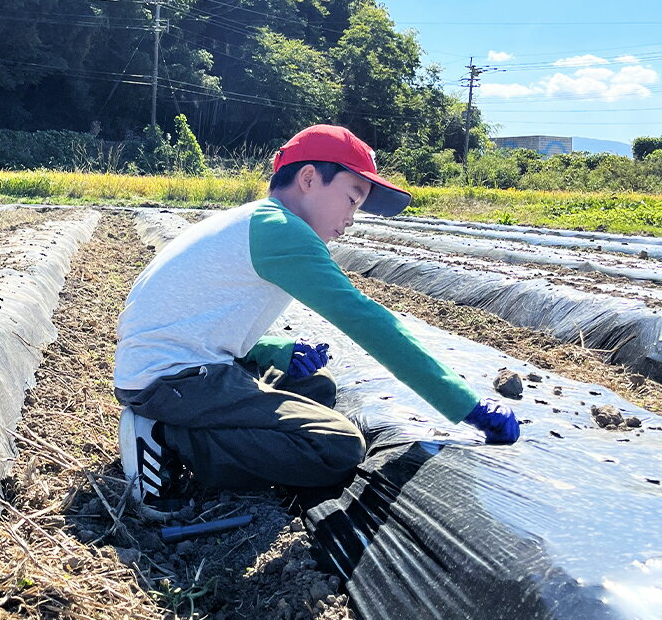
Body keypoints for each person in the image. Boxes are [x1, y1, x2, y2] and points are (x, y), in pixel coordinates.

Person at [114, 124, 520, 520]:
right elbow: (365, 319)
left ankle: (185, 427)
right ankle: (169, 439)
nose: (352, 219)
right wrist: (465, 405)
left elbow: (198, 317)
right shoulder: (283, 232)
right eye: (352, 198)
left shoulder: (257, 221)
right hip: (169, 381)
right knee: (336, 448)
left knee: (317, 388)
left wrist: (280, 350)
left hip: (173, 369)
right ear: (309, 178)